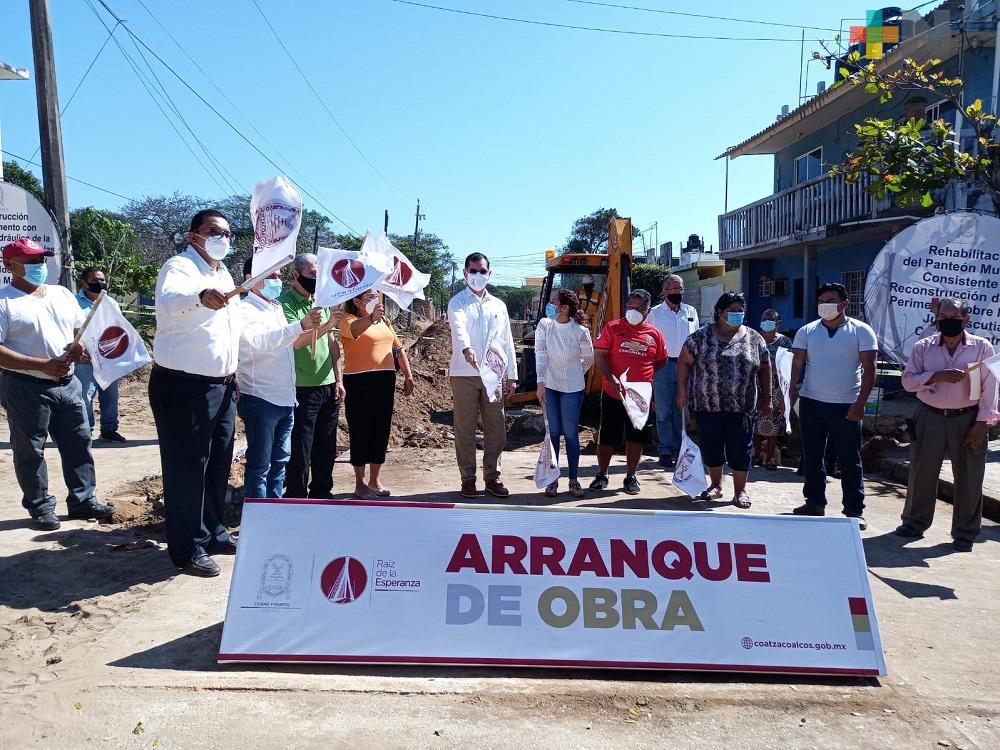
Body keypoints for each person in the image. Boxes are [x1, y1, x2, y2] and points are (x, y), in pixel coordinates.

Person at [149, 210, 246, 577]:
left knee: (217, 464)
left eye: (229, 233)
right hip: (183, 386)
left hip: (221, 386)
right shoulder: (181, 267)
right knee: (187, 468)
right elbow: (174, 301)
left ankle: (213, 531)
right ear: (194, 236)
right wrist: (201, 296)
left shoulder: (222, 273)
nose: (224, 238)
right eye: (215, 232)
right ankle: (186, 548)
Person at [0, 238, 114, 531]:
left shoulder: (62, 295)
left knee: (79, 443)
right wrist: (42, 365)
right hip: (26, 387)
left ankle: (83, 500)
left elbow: (80, 332)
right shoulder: (4, 301)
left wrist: (81, 350)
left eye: (41, 260)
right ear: (10, 265)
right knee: (30, 449)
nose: (40, 266)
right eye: (31, 261)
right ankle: (40, 507)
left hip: (69, 383)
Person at [897, 298, 999, 551]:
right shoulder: (924, 347)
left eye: (954, 317)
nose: (948, 322)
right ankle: (914, 523)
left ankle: (965, 533)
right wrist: (936, 376)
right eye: (943, 317)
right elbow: (908, 382)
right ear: (937, 319)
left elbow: (990, 389)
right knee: (921, 472)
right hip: (929, 415)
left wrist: (981, 425)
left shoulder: (981, 348)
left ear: (966, 319)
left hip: (967, 418)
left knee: (969, 476)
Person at [789, 282, 877, 529]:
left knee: (850, 459)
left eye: (830, 300)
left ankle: (854, 511)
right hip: (811, 403)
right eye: (821, 301)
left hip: (847, 405)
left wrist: (861, 403)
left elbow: (870, 369)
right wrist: (791, 392)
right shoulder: (807, 331)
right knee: (812, 456)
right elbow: (797, 364)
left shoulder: (861, 331)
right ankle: (815, 502)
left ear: (844, 303)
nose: (824, 305)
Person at [236, 257, 322, 500]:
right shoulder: (245, 310)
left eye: (278, 275)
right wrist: (300, 325)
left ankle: (276, 513)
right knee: (260, 467)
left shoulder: (274, 308)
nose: (277, 280)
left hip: (285, 398)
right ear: (249, 279)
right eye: (270, 275)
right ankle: (260, 518)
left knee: (279, 464)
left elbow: (286, 345)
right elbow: (258, 342)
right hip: (261, 397)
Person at [677, 292, 771, 508]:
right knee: (712, 447)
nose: (737, 314)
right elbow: (684, 362)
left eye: (740, 310)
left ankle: (740, 491)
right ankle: (715, 485)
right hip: (707, 405)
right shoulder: (700, 337)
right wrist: (681, 391)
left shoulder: (754, 338)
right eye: (731, 310)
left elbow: (765, 366)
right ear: (719, 312)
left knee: (741, 448)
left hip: (743, 406)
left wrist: (768, 398)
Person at [448, 252, 518, 499]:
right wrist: (466, 348)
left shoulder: (499, 305)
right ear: (465, 272)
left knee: (496, 427)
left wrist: (512, 375)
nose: (478, 275)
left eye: (482, 271)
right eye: (473, 270)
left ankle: (493, 477)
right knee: (465, 429)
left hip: (493, 374)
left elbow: (507, 340)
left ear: (490, 273)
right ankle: (468, 478)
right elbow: (457, 328)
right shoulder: (457, 302)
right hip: (463, 373)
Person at [278, 253, 344, 499]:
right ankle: (296, 495)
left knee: (326, 445)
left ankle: (322, 493)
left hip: (328, 384)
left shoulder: (321, 302)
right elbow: (295, 342)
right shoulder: (285, 304)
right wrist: (324, 326)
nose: (316, 279)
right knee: (301, 446)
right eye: (311, 274)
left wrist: (339, 379)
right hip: (302, 386)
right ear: (295, 274)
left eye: (319, 274)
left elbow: (331, 341)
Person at [340, 289, 415, 498]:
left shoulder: (385, 321)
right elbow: (354, 331)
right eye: (370, 297)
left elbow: (398, 349)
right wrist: (371, 318)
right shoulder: (348, 319)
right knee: (360, 430)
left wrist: (408, 375)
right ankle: (360, 483)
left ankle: (375, 480)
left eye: (377, 297)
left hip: (385, 381)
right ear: (357, 301)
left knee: (380, 430)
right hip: (359, 381)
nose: (376, 300)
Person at [591, 289, 667, 495]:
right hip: (613, 392)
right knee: (607, 436)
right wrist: (611, 378)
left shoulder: (654, 334)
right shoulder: (613, 328)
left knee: (636, 437)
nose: (633, 311)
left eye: (639, 307)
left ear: (647, 310)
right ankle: (602, 474)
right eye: (630, 306)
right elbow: (600, 356)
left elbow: (661, 360)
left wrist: (645, 377)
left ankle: (631, 476)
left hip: (640, 395)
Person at [535, 288, 594, 498]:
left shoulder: (579, 331)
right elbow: (540, 354)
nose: (550, 305)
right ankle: (552, 479)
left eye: (554, 302)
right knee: (553, 433)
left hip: (572, 388)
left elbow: (588, 359)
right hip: (550, 386)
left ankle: (574, 479)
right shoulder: (544, 326)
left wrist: (574, 372)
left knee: (570, 434)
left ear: (565, 308)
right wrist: (541, 383)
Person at [647, 274, 699, 468]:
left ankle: (680, 448)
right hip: (663, 364)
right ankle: (666, 449)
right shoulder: (654, 313)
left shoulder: (690, 311)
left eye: (680, 289)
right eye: (674, 289)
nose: (678, 292)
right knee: (663, 410)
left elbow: (696, 339)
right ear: (665, 291)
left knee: (682, 408)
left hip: (686, 365)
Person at [73, 266, 127, 442]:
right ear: (84, 282)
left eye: (102, 280)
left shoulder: (110, 303)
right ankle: (85, 431)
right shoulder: (73, 302)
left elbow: (118, 328)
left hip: (107, 357)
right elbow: (70, 329)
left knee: (111, 395)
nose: (100, 283)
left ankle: (109, 430)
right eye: (95, 280)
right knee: (84, 396)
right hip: (85, 358)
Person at [753, 308, 792, 470]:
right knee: (755, 421)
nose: (767, 321)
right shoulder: (754, 338)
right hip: (755, 385)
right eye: (764, 318)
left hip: (776, 388)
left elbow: (789, 365)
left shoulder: (785, 342)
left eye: (771, 319)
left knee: (773, 422)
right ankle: (754, 455)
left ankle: (770, 458)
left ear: (778, 323)